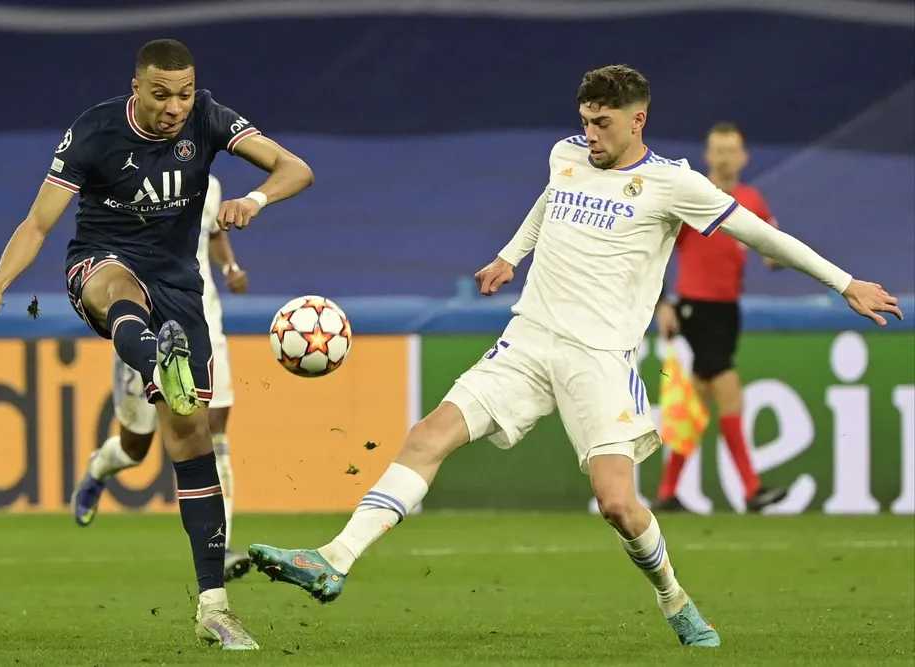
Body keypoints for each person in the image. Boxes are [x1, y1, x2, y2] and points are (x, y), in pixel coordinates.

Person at [244, 64, 902, 649]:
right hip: (528, 339)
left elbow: (761, 233)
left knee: (618, 504)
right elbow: (549, 199)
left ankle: (673, 595)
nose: (590, 133)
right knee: (427, 435)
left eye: (603, 122)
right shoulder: (567, 154)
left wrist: (847, 283)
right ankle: (334, 557)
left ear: (637, 120)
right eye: (584, 120)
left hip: (600, 361)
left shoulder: (674, 184)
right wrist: (510, 254)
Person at [0, 39, 314, 651]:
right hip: (101, 266)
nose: (175, 106)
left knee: (189, 437)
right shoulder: (95, 130)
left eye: (183, 92)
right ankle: (158, 357)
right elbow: (39, 223)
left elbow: (295, 168)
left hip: (181, 288)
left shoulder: (207, 116)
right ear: (136, 88)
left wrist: (253, 199)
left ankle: (214, 607)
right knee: (120, 292)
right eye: (161, 94)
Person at [71, 174, 254, 581]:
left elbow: (212, 234)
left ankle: (219, 545)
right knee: (135, 446)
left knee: (214, 427)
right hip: (146, 325)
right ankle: (101, 467)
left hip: (204, 322)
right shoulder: (129, 180)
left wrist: (231, 268)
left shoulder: (210, 183)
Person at [654, 122, 788, 513]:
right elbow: (657, 249)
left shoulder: (752, 198)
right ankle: (751, 489)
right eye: (719, 150)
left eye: (732, 150)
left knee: (698, 401)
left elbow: (769, 252)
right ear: (708, 155)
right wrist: (661, 302)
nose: (726, 157)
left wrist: (778, 254)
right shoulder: (695, 196)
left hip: (728, 310)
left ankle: (667, 492)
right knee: (730, 390)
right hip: (697, 308)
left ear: (744, 157)